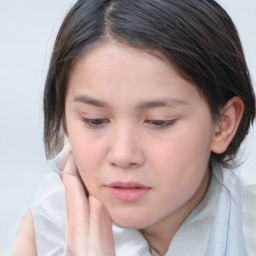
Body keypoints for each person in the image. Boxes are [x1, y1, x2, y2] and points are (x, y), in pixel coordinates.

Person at [11, 0, 256, 255]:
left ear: (223, 125)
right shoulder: (47, 232)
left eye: (159, 122)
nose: (123, 155)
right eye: (94, 120)